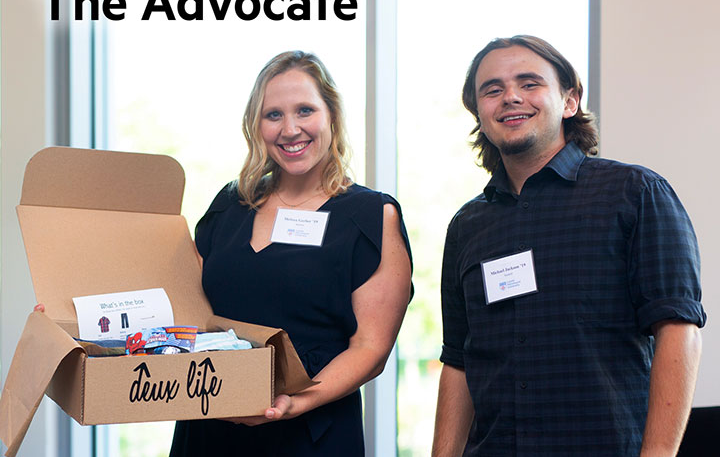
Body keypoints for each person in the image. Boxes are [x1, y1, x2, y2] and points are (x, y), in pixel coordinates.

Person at [432, 35, 705, 457]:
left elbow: (678, 330)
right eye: (493, 89)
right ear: (480, 114)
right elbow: (458, 361)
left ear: (570, 100)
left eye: (529, 83)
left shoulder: (635, 193)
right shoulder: (468, 226)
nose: (510, 97)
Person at [168, 51, 413, 456]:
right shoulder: (230, 205)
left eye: (305, 110)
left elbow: (370, 349)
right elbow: (184, 305)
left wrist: (297, 402)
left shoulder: (370, 216)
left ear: (331, 116)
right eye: (273, 115)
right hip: (211, 425)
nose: (290, 128)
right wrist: (73, 311)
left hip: (311, 431)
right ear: (256, 125)